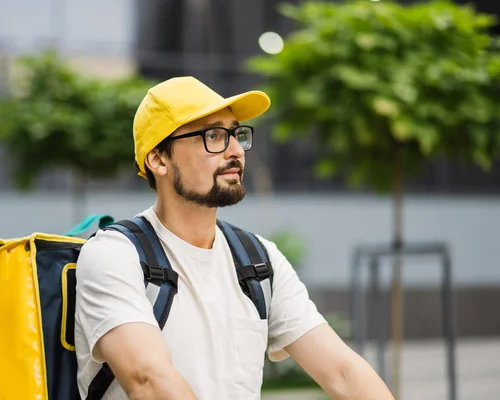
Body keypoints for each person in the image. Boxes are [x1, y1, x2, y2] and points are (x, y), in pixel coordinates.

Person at [74, 76, 394, 400]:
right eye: (213, 135)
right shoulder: (114, 255)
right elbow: (148, 379)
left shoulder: (257, 259)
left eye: (236, 134)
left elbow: (343, 373)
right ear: (159, 159)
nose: (236, 151)